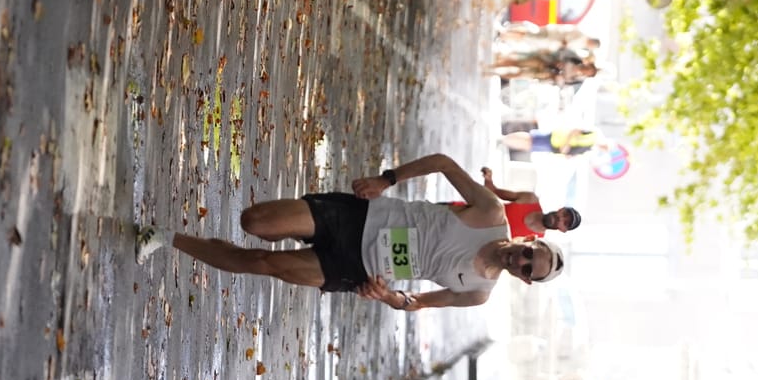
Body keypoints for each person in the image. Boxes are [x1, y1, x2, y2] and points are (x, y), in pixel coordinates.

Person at [137, 153, 565, 310]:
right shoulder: (490, 212)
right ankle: (178, 236)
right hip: (362, 218)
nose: (522, 260)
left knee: (264, 263)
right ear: (531, 240)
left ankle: (164, 237)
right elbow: (444, 164)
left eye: (530, 269)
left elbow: (414, 302)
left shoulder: (476, 293)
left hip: (359, 269)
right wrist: (387, 180)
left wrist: (388, 296)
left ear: (525, 280)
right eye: (531, 253)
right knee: (257, 223)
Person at [453, 170, 579, 237]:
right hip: (461, 213)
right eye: (564, 214)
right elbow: (494, 192)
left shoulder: (533, 243)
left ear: (563, 229)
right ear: (561, 209)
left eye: (565, 222)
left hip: (467, 239)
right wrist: (488, 178)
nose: (560, 218)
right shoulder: (530, 199)